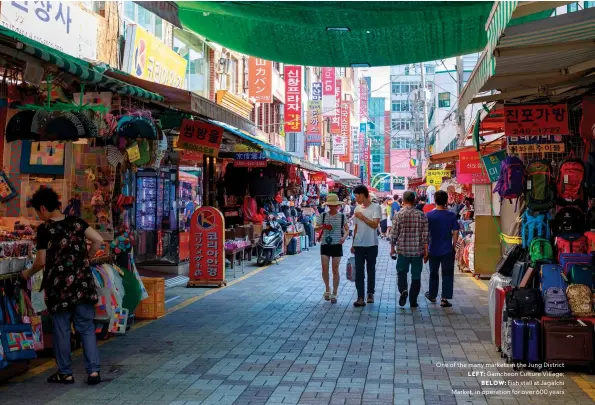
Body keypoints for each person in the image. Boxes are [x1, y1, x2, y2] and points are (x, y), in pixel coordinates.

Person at [21, 187, 103, 385]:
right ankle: (93, 372)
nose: (40, 216)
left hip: (59, 288)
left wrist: (27, 273)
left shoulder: (45, 229)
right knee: (86, 327)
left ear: (43, 207)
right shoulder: (77, 222)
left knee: (62, 329)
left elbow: (40, 261)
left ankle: (65, 373)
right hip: (82, 284)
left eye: (38, 212)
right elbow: (98, 240)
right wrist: (87, 256)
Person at [390, 191, 429, 308]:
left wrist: (392, 248)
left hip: (402, 251)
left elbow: (394, 234)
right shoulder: (421, 215)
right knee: (416, 276)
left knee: (402, 272)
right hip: (418, 251)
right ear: (414, 200)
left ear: (403, 200)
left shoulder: (399, 215)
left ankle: (403, 290)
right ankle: (413, 300)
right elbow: (425, 236)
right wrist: (426, 251)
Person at [425, 190, 459, 308]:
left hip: (432, 249)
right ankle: (444, 299)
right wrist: (454, 246)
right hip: (447, 250)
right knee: (447, 274)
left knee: (433, 273)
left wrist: (425, 250)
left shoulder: (429, 215)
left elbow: (425, 234)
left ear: (434, 200)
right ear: (446, 201)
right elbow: (455, 231)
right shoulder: (451, 215)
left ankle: (433, 295)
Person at [314, 194, 348, 304]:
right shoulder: (323, 215)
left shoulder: (342, 216)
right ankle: (327, 288)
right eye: (330, 205)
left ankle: (335, 291)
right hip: (325, 244)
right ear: (328, 205)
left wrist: (344, 237)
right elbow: (315, 229)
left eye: (334, 205)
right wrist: (322, 227)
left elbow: (347, 229)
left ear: (338, 206)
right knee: (324, 268)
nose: (332, 207)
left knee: (335, 269)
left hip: (337, 244)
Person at [351, 185, 382, 307]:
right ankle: (360, 297)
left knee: (370, 270)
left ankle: (370, 293)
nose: (356, 199)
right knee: (359, 271)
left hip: (371, 244)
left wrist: (362, 217)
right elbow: (356, 227)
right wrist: (353, 243)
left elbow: (375, 225)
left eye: (357, 196)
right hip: (359, 244)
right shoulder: (357, 208)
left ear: (363, 195)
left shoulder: (376, 207)